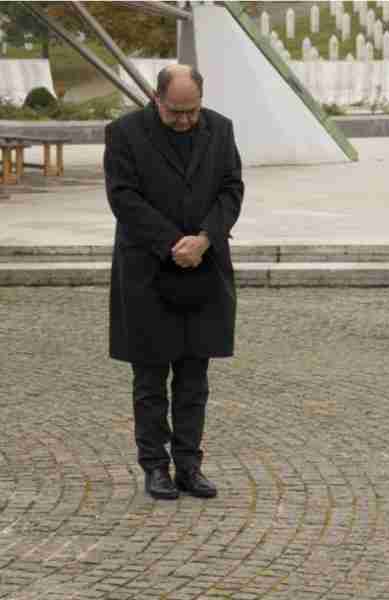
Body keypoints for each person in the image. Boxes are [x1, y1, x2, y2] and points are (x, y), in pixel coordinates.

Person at [104, 64, 244, 500]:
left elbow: (231, 189)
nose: (185, 121)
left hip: (203, 265)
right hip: (146, 269)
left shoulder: (220, 129)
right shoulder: (124, 133)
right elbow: (123, 196)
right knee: (149, 379)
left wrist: (204, 239)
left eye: (192, 112)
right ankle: (155, 467)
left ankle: (189, 464)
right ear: (156, 99)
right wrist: (171, 243)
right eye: (176, 112)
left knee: (193, 376)